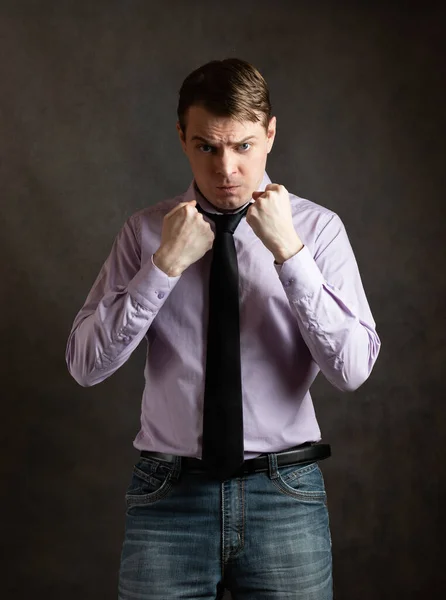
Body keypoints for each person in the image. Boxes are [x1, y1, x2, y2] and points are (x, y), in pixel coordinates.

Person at [66, 58, 381, 600]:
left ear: (271, 134)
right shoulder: (145, 233)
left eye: (243, 146)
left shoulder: (318, 231)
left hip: (284, 494)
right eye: (207, 147)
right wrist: (162, 267)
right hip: (169, 497)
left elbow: (352, 370)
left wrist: (290, 253)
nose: (227, 169)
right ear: (182, 138)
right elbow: (85, 365)